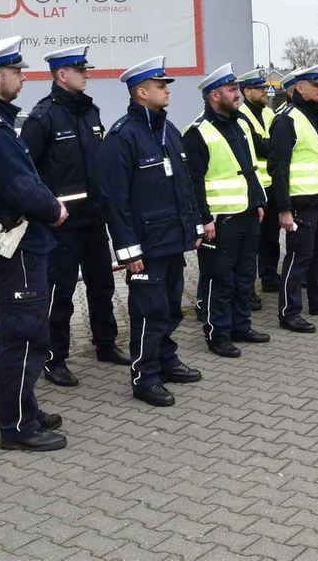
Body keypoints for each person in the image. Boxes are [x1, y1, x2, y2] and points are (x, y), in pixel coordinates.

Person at [0, 36, 68, 452]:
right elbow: (22, 187)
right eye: (17, 71)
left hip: (15, 245)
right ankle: (17, 427)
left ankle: (25, 407)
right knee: (24, 335)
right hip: (16, 247)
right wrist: (54, 210)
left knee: (17, 331)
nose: (23, 77)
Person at [95, 56, 204, 406]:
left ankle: (166, 359)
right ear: (142, 92)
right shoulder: (122, 136)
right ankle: (145, 376)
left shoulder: (169, 131)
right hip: (146, 246)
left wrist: (194, 227)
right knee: (148, 310)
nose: (167, 90)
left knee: (171, 307)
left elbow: (185, 184)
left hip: (172, 240)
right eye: (160, 85)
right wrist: (129, 250)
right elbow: (114, 199)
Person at [20, 45, 130, 389]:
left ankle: (105, 343)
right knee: (60, 294)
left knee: (102, 286)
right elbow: (28, 173)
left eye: (86, 69)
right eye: (79, 70)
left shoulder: (90, 112)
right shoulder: (42, 118)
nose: (86, 74)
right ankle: (55, 358)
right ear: (61, 75)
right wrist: (48, 210)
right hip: (62, 226)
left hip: (95, 220)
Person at [183, 63, 270, 358]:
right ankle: (217, 333)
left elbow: (249, 169)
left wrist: (258, 202)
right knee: (219, 278)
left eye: (236, 89)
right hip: (219, 221)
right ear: (213, 95)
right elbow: (192, 182)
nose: (238, 95)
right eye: (232, 90)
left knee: (245, 276)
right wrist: (204, 219)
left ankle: (240, 326)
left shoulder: (240, 124)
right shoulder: (197, 132)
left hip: (246, 214)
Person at [268, 64, 318, 332]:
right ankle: (289, 312)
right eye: (315, 85)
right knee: (299, 256)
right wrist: (284, 208)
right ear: (299, 88)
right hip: (301, 201)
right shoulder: (286, 120)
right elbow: (278, 168)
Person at [237, 68, 279, 301]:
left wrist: (271, 145)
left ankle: (270, 276)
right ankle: (249, 289)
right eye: (260, 89)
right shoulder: (242, 115)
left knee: (271, 237)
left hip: (271, 183)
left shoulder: (269, 113)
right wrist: (272, 145)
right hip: (255, 187)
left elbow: (275, 144)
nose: (265, 92)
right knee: (253, 241)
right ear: (247, 91)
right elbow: (260, 148)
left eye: (264, 88)